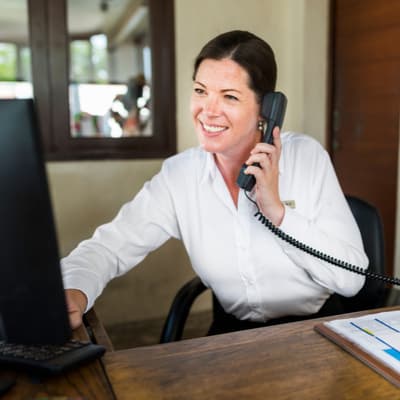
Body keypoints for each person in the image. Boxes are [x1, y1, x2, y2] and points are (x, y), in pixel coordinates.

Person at [62, 30, 368, 334]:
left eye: (230, 96)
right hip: (232, 335)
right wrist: (74, 289)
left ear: (267, 109)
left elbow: (352, 279)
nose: (208, 111)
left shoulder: (306, 158)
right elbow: (110, 246)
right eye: (200, 91)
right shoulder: (180, 175)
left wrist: (277, 212)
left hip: (314, 330)